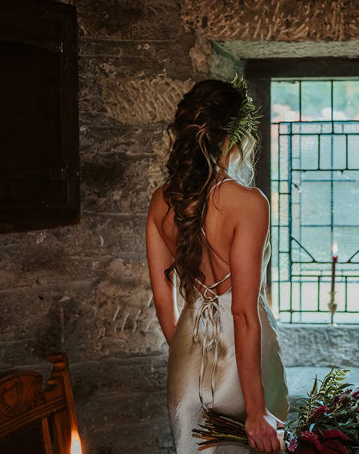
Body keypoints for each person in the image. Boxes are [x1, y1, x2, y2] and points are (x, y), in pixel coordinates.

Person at [146, 76, 290, 454]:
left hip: (186, 362)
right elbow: (242, 313)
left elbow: (164, 303)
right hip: (242, 370)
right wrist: (256, 411)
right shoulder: (249, 204)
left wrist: (188, 356)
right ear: (235, 138)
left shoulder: (161, 201)